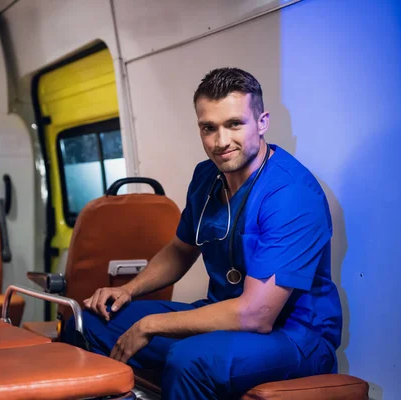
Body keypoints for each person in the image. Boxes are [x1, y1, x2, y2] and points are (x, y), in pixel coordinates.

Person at [64, 67, 343, 399]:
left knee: (189, 361)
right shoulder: (206, 177)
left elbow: (256, 315)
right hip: (225, 316)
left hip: (294, 337)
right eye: (209, 128)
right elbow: (181, 250)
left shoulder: (291, 195)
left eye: (234, 124)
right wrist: (129, 290)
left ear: (262, 122)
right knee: (88, 323)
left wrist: (149, 325)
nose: (221, 141)